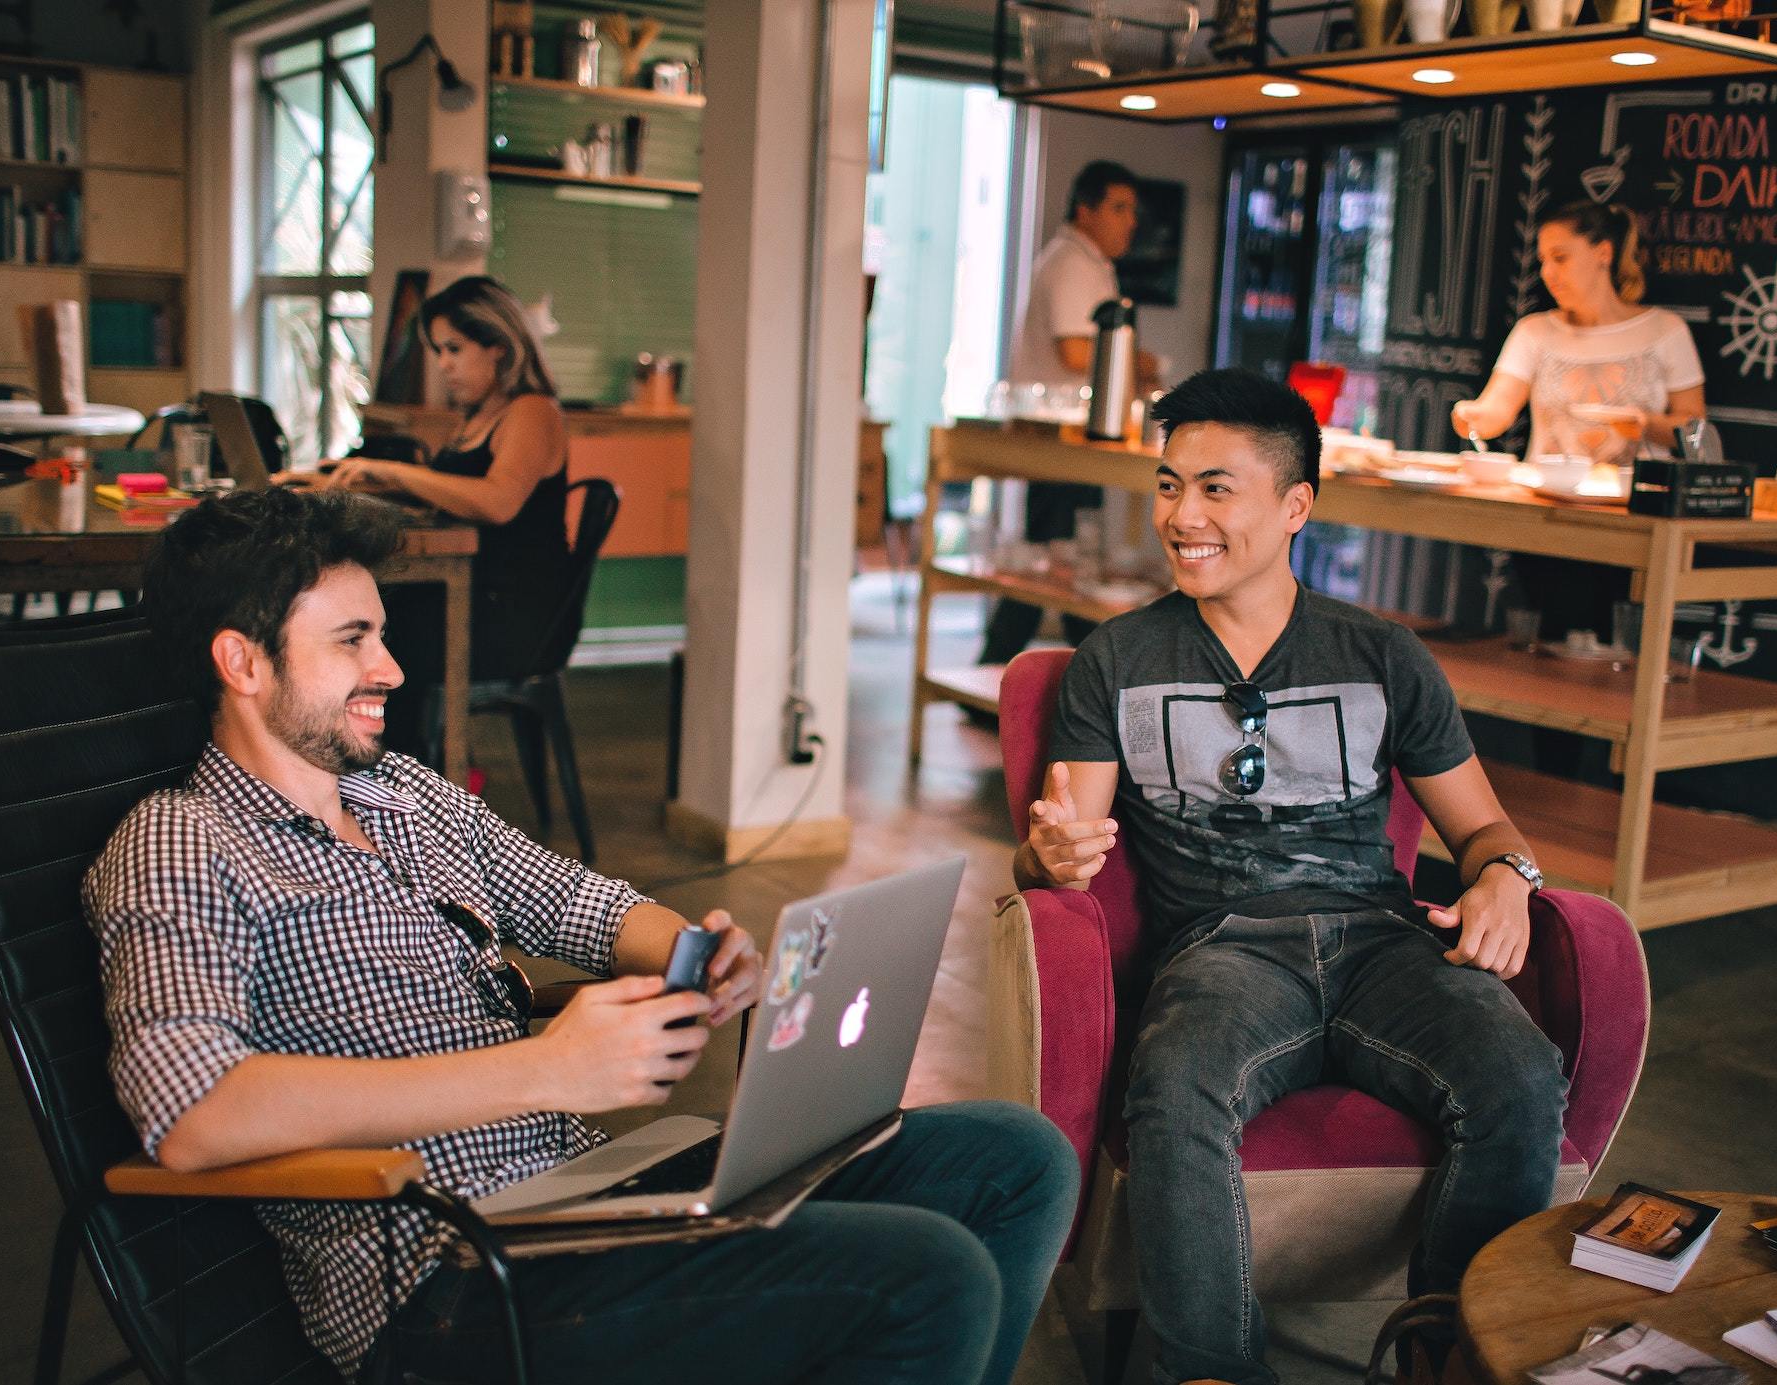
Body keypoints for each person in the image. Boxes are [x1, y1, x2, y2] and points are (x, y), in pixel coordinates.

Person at [84, 487, 1079, 1384]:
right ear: (241, 659)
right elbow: (193, 1111)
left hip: (581, 1198)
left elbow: (582, 905)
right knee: (924, 1277)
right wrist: (544, 1070)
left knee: (1014, 1157)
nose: (389, 665)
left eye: (380, 633)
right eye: (351, 639)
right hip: (446, 1280)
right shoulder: (180, 841)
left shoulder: (403, 795)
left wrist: (696, 954)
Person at [1017, 369, 1567, 1385]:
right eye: (1168, 485)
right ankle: (1210, 1369)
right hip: (1222, 948)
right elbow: (1064, 833)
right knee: (1175, 1083)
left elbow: (1483, 824)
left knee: (1519, 1073)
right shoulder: (1116, 658)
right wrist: (1046, 855)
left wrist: (1506, 877)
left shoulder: (1382, 655)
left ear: (1293, 505)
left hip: (1381, 940)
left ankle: (1445, 1356)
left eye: (1215, 488)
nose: (1181, 517)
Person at [311, 275, 574, 755]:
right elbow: (452, 495)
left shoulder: (533, 412)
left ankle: (395, 780)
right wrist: (357, 480)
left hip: (510, 615)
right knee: (364, 621)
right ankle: (373, 772)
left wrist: (393, 472)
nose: (444, 365)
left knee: (375, 634)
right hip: (472, 593)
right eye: (438, 351)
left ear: (497, 345)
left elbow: (497, 501)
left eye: (454, 349)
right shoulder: (480, 415)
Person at [1450, 202, 1707, 652]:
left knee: (1621, 656)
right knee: (1547, 656)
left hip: (1634, 518)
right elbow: (1497, 411)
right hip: (1549, 515)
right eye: (1544, 260)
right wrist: (1470, 414)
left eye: (1561, 257)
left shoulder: (1665, 331)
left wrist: (1644, 425)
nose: (1548, 271)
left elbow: (1695, 429)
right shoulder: (1534, 332)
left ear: (1603, 253)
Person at [979, 160, 1159, 670]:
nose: (1130, 221)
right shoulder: (1073, 264)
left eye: (1132, 211)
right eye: (1119, 208)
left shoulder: (1086, 262)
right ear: (1085, 210)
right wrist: (1145, 363)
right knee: (1060, 566)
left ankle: (1072, 676)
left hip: (1074, 439)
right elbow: (1079, 353)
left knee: (1062, 563)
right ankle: (1014, 675)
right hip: (1063, 439)